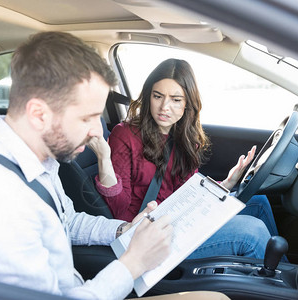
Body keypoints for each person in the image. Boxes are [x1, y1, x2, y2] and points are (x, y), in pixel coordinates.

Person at [0, 32, 229, 300]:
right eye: (87, 119)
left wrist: (124, 228)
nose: (97, 133)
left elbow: (68, 223)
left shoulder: (38, 162)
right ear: (39, 113)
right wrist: (133, 263)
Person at [91, 58, 279, 259]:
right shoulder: (125, 134)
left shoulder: (183, 137)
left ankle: (289, 278)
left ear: (187, 103)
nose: (165, 106)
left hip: (179, 216)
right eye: (158, 96)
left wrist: (227, 183)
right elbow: (117, 208)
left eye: (175, 99)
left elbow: (188, 192)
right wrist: (104, 159)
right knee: (253, 232)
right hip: (148, 232)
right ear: (148, 96)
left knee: (258, 203)